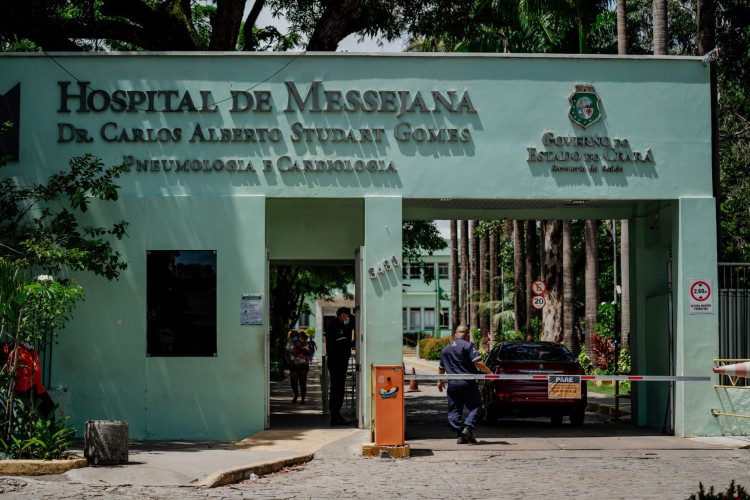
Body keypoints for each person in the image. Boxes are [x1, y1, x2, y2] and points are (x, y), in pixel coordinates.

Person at [437, 325, 492, 444]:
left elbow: (441, 368)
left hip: (452, 384)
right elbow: (478, 362)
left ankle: (461, 435)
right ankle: (468, 428)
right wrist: (490, 373)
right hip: (467, 382)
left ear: (456, 334)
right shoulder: (468, 345)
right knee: (476, 406)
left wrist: (440, 382)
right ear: (467, 335)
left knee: (455, 408)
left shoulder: (446, 349)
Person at [2, 343, 55, 418]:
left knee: (49, 410)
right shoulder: (15, 352)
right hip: (25, 388)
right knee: (46, 410)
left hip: (36, 387)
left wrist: (31, 350)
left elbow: (35, 365)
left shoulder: (27, 350)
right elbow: (6, 370)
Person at [324, 306, 355, 425]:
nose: (348, 318)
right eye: (347, 316)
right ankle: (335, 416)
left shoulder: (340, 326)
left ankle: (336, 415)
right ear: (342, 315)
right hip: (337, 362)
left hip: (339, 362)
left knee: (339, 389)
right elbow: (343, 344)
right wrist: (352, 343)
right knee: (337, 389)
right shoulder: (335, 326)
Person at [284, 331, 310, 404]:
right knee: (293, 382)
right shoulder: (289, 345)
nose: (294, 337)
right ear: (290, 337)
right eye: (292, 336)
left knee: (303, 383)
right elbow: (285, 355)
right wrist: (288, 362)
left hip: (303, 365)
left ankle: (303, 399)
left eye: (296, 335)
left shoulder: (304, 343)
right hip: (293, 366)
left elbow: (308, 352)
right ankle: (296, 394)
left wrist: (300, 347)